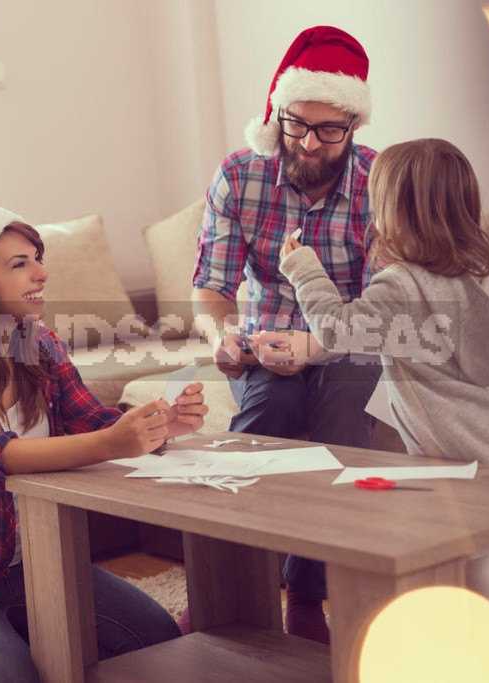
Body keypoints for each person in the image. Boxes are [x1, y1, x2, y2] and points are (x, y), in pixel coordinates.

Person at [0, 203, 208, 682]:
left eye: (37, 258)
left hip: (36, 565)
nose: (41, 273)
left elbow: (91, 421)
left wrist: (160, 426)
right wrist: (112, 443)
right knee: (6, 672)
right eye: (19, 264)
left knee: (157, 638)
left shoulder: (41, 344)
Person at [277, 137, 489, 629]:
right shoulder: (475, 274)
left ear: (397, 212)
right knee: (479, 565)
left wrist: (303, 269)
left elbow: (335, 330)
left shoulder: (402, 285)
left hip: (453, 461)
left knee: (447, 564)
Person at [191, 25, 382, 643]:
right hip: (266, 347)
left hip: (352, 344)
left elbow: (385, 307)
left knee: (345, 414)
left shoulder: (381, 184)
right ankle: (224, 590)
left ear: (353, 125)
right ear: (278, 112)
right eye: (296, 123)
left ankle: (307, 594)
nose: (309, 142)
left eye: (329, 130)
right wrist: (225, 337)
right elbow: (212, 286)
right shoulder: (238, 175)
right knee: (268, 412)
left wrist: (318, 346)